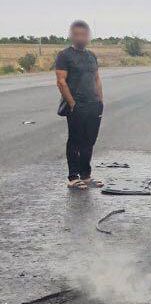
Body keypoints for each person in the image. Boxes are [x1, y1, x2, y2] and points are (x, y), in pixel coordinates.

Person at [55, 20, 104, 190]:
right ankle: (73, 177)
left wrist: (100, 101)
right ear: (71, 36)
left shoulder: (91, 56)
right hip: (76, 105)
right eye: (77, 34)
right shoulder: (64, 55)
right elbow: (61, 81)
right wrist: (72, 104)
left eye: (83, 34)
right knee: (75, 140)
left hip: (93, 105)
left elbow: (96, 78)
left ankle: (86, 175)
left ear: (88, 36)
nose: (80, 37)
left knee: (89, 141)